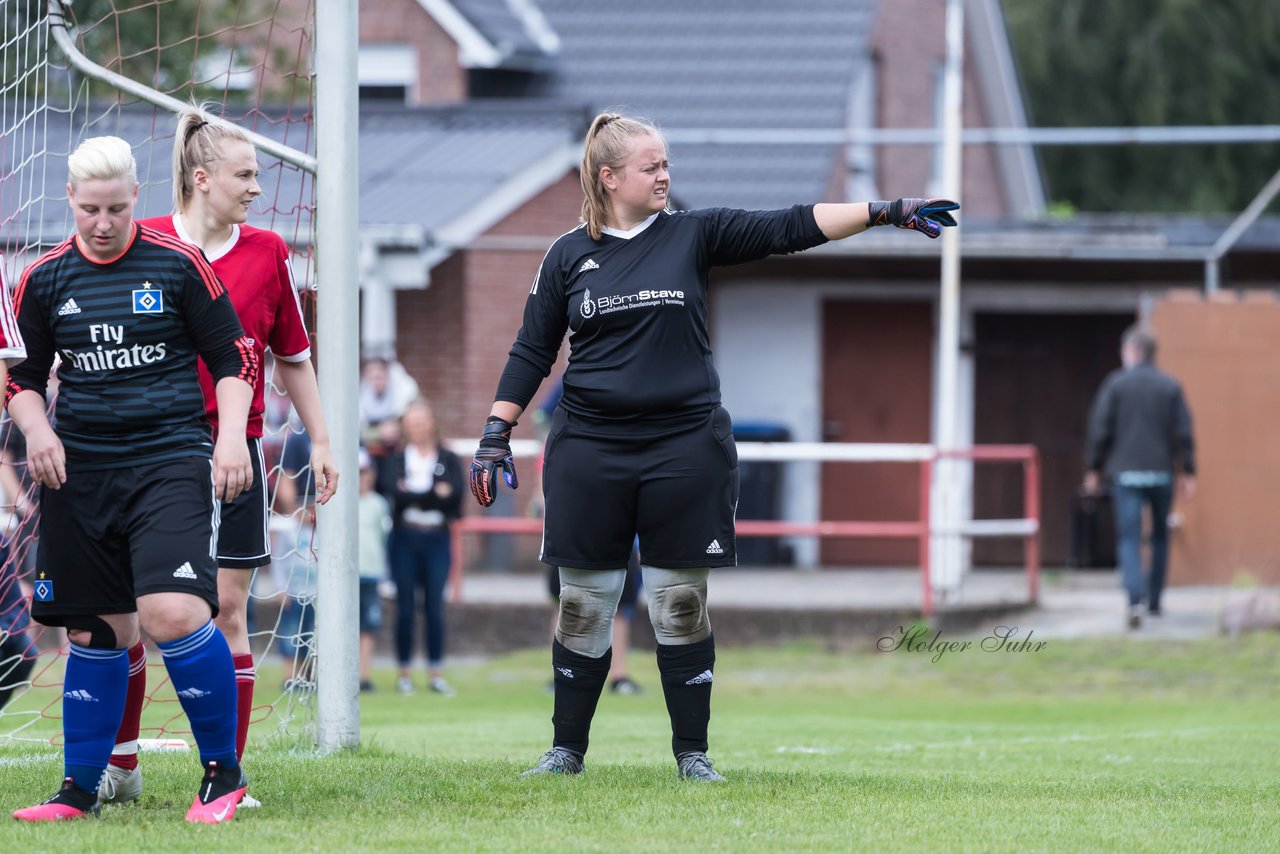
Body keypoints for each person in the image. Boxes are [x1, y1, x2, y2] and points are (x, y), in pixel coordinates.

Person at [468, 112, 958, 782]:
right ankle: (566, 753)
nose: (665, 175)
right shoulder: (566, 256)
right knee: (584, 602)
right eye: (651, 166)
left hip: (684, 445)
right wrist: (496, 433)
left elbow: (789, 225)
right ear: (609, 177)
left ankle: (692, 755)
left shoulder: (693, 234)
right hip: (590, 446)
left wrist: (885, 210)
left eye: (667, 164)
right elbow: (532, 350)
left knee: (678, 600)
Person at [8, 135, 258, 823]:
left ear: (134, 200)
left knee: (172, 613)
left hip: (169, 461)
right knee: (94, 631)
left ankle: (222, 777)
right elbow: (19, 381)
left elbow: (235, 360)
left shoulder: (179, 264)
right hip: (79, 472)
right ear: (70, 201)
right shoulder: (42, 279)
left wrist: (231, 438)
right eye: (90, 209)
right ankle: (79, 791)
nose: (103, 222)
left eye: (117, 208)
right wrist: (37, 429)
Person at [97, 106, 338, 810]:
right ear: (201, 179)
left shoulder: (268, 255)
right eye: (245, 174)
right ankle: (121, 763)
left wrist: (320, 440)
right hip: (144, 455)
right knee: (132, 612)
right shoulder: (140, 243)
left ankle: (225, 771)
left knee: (229, 609)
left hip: (237, 459)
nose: (257, 188)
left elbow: (293, 357)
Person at [1084, 325, 1195, 630]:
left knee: (1129, 538)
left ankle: (1135, 601)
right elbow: (1183, 432)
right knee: (1160, 536)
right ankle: (1155, 601)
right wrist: (1187, 471)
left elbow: (1100, 429)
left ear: (1132, 351)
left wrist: (1094, 468)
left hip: (1126, 474)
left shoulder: (1116, 385)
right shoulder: (1170, 386)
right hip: (1161, 473)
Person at [378, 398, 465, 696]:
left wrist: (415, 493)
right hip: (404, 537)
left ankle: (435, 672)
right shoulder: (397, 459)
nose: (417, 428)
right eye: (411, 424)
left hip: (437, 537)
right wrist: (432, 493)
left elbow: (454, 497)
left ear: (432, 423)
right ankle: (403, 672)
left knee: (434, 607)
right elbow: (393, 493)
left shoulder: (449, 458)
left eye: (421, 422)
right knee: (404, 607)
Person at [357, 448, 392, 691]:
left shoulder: (379, 504)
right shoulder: (337, 501)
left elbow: (383, 538)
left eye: (365, 472)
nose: (362, 478)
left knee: (368, 627)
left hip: (370, 572)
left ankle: (364, 675)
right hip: (343, 577)